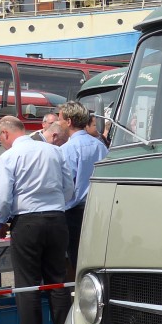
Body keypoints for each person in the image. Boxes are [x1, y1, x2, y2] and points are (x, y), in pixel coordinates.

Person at [0, 116, 74, 324]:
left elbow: (3, 196)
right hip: (57, 219)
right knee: (57, 280)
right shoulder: (53, 152)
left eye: (0, 139)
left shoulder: (9, 157)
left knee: (27, 283)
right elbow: (69, 187)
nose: (1, 143)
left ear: (6, 134)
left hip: (27, 221)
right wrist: (56, 204)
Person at [58, 101, 107, 275]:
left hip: (74, 212)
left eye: (60, 119)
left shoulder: (67, 149)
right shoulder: (100, 146)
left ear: (69, 121)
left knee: (76, 259)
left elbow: (66, 183)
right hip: (98, 209)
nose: (59, 123)